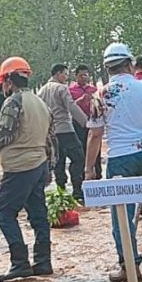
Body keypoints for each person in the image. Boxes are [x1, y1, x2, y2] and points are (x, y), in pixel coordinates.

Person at [85, 43, 142, 281]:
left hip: (119, 159)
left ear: (108, 68)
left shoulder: (100, 96)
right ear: (131, 64)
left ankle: (130, 267)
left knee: (122, 215)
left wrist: (88, 170)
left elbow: (95, 135)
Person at [0, 57, 55, 281]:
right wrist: (49, 166)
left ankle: (20, 262)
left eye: (3, 82)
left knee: (4, 215)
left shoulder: (13, 102)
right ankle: (43, 262)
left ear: (9, 82)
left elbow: (5, 133)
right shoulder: (41, 103)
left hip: (19, 167)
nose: (2, 86)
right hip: (39, 164)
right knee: (39, 216)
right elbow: (51, 138)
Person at [37, 64, 89, 202]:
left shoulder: (41, 92)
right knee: (78, 158)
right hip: (65, 129)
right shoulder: (61, 88)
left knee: (58, 162)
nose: (66, 77)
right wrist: (85, 122)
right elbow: (71, 106)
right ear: (58, 73)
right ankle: (77, 191)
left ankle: (61, 191)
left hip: (51, 132)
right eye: (65, 74)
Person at [70, 65, 101, 179]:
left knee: (95, 149)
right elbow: (70, 107)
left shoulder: (93, 90)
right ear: (76, 76)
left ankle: (97, 174)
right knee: (82, 150)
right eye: (81, 75)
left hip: (93, 122)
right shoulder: (71, 90)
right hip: (78, 124)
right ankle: (83, 176)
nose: (84, 77)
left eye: (86, 75)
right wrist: (80, 101)